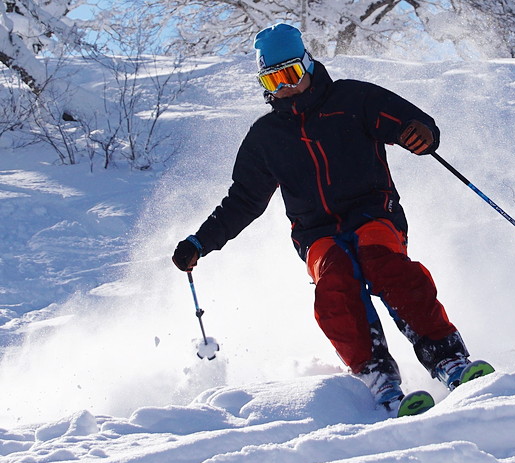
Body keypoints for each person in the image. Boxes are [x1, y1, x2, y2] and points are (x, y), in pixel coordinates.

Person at [173, 23, 489, 411]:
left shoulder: (353, 98)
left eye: (290, 74)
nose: (285, 87)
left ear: (307, 65)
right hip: (315, 232)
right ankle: (377, 376)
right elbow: (243, 201)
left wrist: (418, 134)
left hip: (375, 213)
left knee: (384, 264)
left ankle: (448, 359)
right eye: (273, 80)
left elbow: (416, 124)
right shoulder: (266, 137)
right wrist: (201, 241)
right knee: (335, 278)